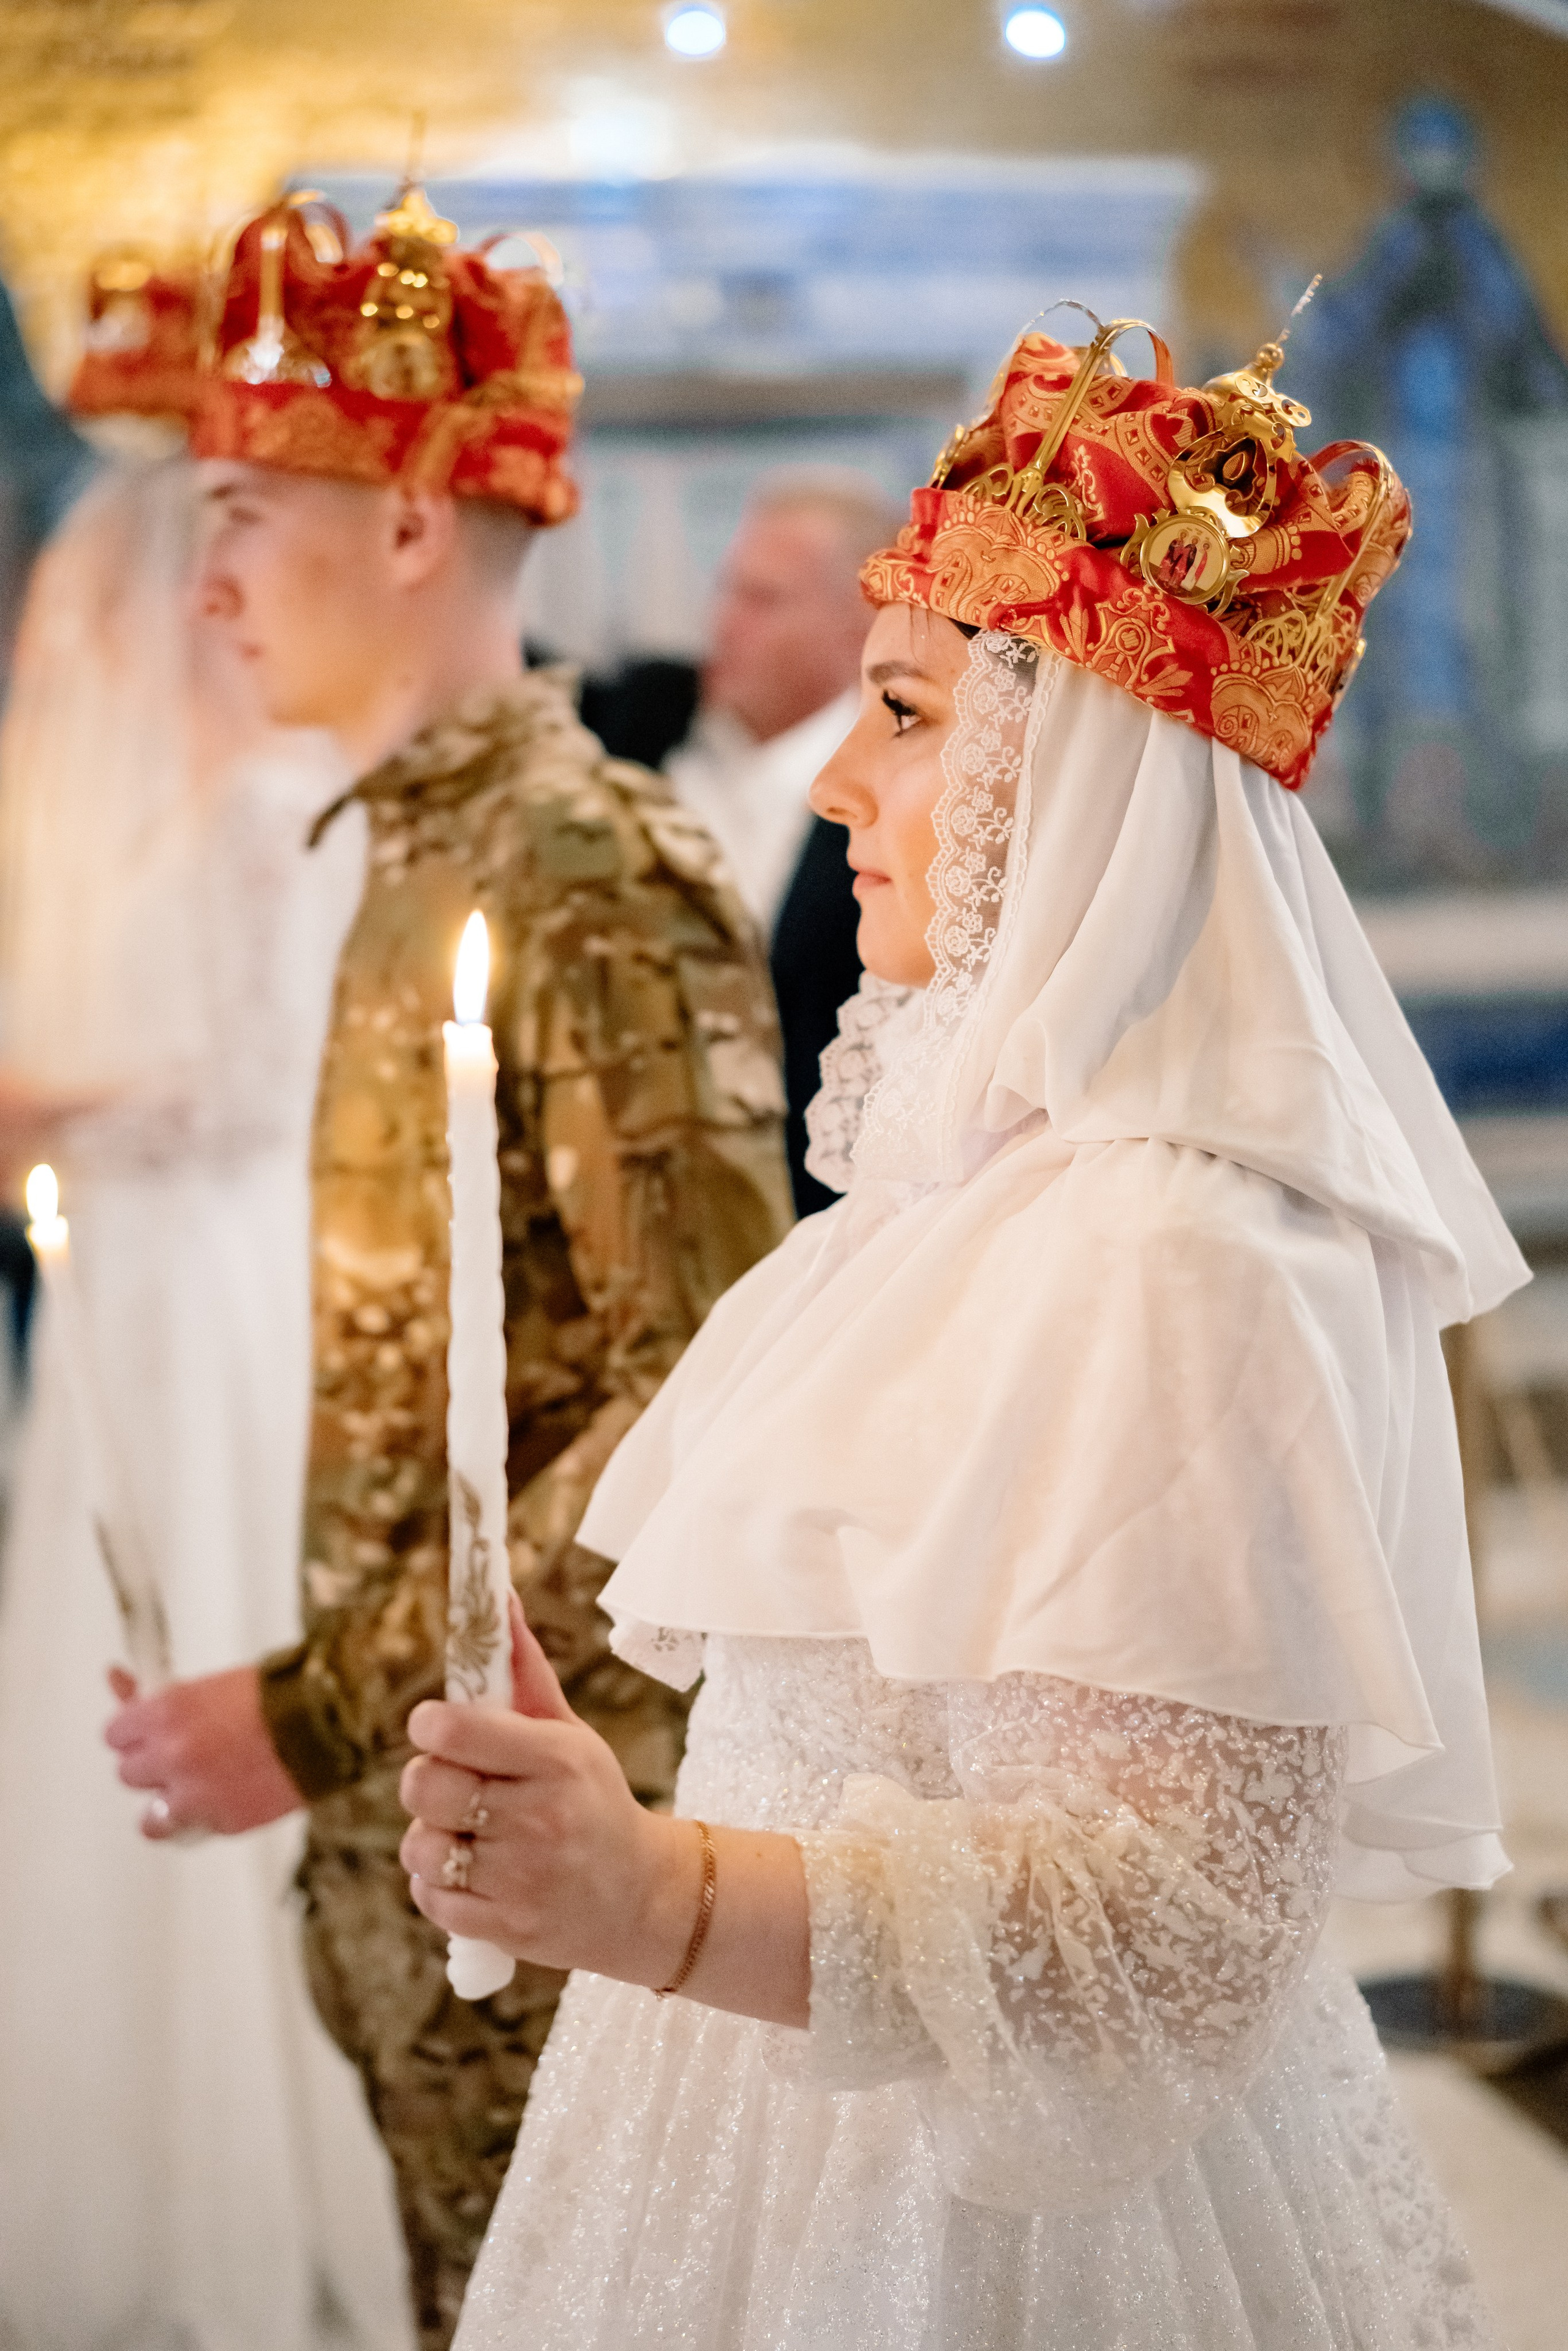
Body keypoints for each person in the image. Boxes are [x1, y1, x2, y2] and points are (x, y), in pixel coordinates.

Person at [399, 317, 1522, 2349]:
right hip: (746, 2146)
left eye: (905, 711)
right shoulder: (960, 1201)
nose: (839, 778)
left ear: (1085, 776)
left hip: (997, 2236)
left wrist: (653, 1892)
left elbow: (1166, 1943)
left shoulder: (1182, 1246)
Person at [103, 184, 793, 2350]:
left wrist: (313, 1709)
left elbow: (709, 1409)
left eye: (244, 511)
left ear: (407, 521)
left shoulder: (584, 861)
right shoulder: (415, 841)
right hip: (429, 1824)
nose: (207, 582)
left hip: (570, 1836)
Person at [0, 439, 412, 2344]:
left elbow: (266, 1069)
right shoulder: (82, 809)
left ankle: (286, 2175)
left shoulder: (280, 797)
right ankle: (124, 2174)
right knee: (94, 1649)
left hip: (243, 1272)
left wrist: (69, 1099)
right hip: (122, 1286)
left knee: (234, 1617)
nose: (63, 641)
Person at [589, 472, 900, 1215]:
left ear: (859, 626)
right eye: (726, 589)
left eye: (763, 600)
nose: (723, 621)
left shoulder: (886, 800)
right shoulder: (640, 720)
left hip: (786, 1204)